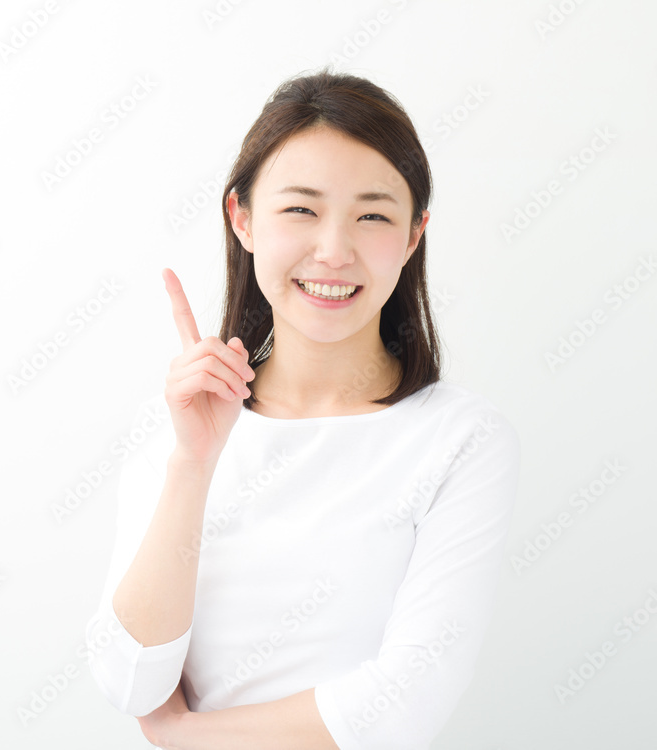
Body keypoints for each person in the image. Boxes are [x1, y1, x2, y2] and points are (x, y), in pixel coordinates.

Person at [84, 67, 521, 750]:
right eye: (301, 210)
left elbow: (405, 704)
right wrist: (193, 463)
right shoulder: (176, 428)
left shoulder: (461, 438)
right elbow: (131, 682)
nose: (334, 252)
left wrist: (184, 736)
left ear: (414, 235)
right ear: (243, 218)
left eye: (373, 215)